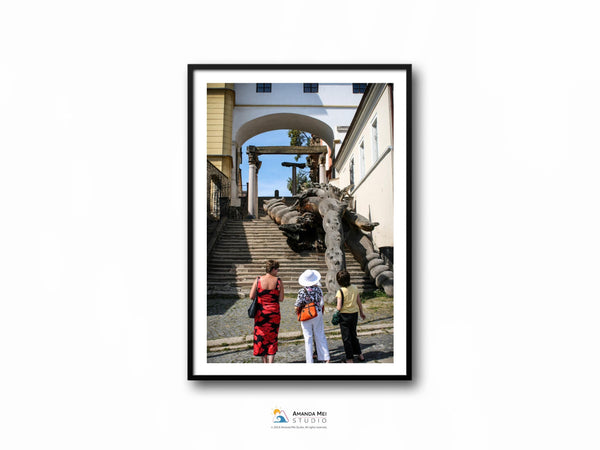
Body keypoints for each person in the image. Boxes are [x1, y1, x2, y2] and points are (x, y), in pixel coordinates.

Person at [249, 260, 284, 363]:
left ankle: (264, 362)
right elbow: (281, 299)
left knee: (261, 336)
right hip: (274, 313)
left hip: (261, 313)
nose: (277, 271)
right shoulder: (278, 281)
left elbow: (251, 296)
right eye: (277, 269)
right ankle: (271, 362)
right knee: (273, 337)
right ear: (273, 269)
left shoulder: (258, 280)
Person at [294, 269, 330, 363]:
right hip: (317, 313)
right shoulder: (318, 289)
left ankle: (309, 361)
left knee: (308, 337)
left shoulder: (302, 291)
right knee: (320, 334)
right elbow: (321, 303)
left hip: (306, 315)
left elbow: (297, 305)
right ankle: (325, 357)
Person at [335, 269, 366, 363]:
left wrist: (336, 310)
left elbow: (339, 307)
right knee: (353, 335)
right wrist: (361, 312)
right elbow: (359, 302)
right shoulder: (355, 288)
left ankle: (349, 358)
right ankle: (360, 355)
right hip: (354, 314)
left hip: (344, 316)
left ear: (339, 281)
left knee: (346, 337)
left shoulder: (340, 291)